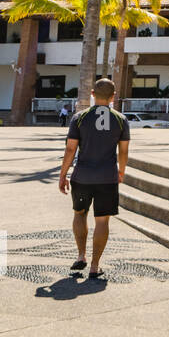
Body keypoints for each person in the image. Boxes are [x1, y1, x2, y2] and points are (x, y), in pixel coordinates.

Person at [57, 78, 129, 279]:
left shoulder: (79, 118)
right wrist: (121, 171)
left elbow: (71, 148)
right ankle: (95, 266)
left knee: (79, 213)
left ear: (92, 94)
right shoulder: (120, 119)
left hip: (82, 177)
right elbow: (123, 151)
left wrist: (63, 175)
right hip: (107, 177)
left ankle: (81, 255)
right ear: (113, 96)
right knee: (102, 221)